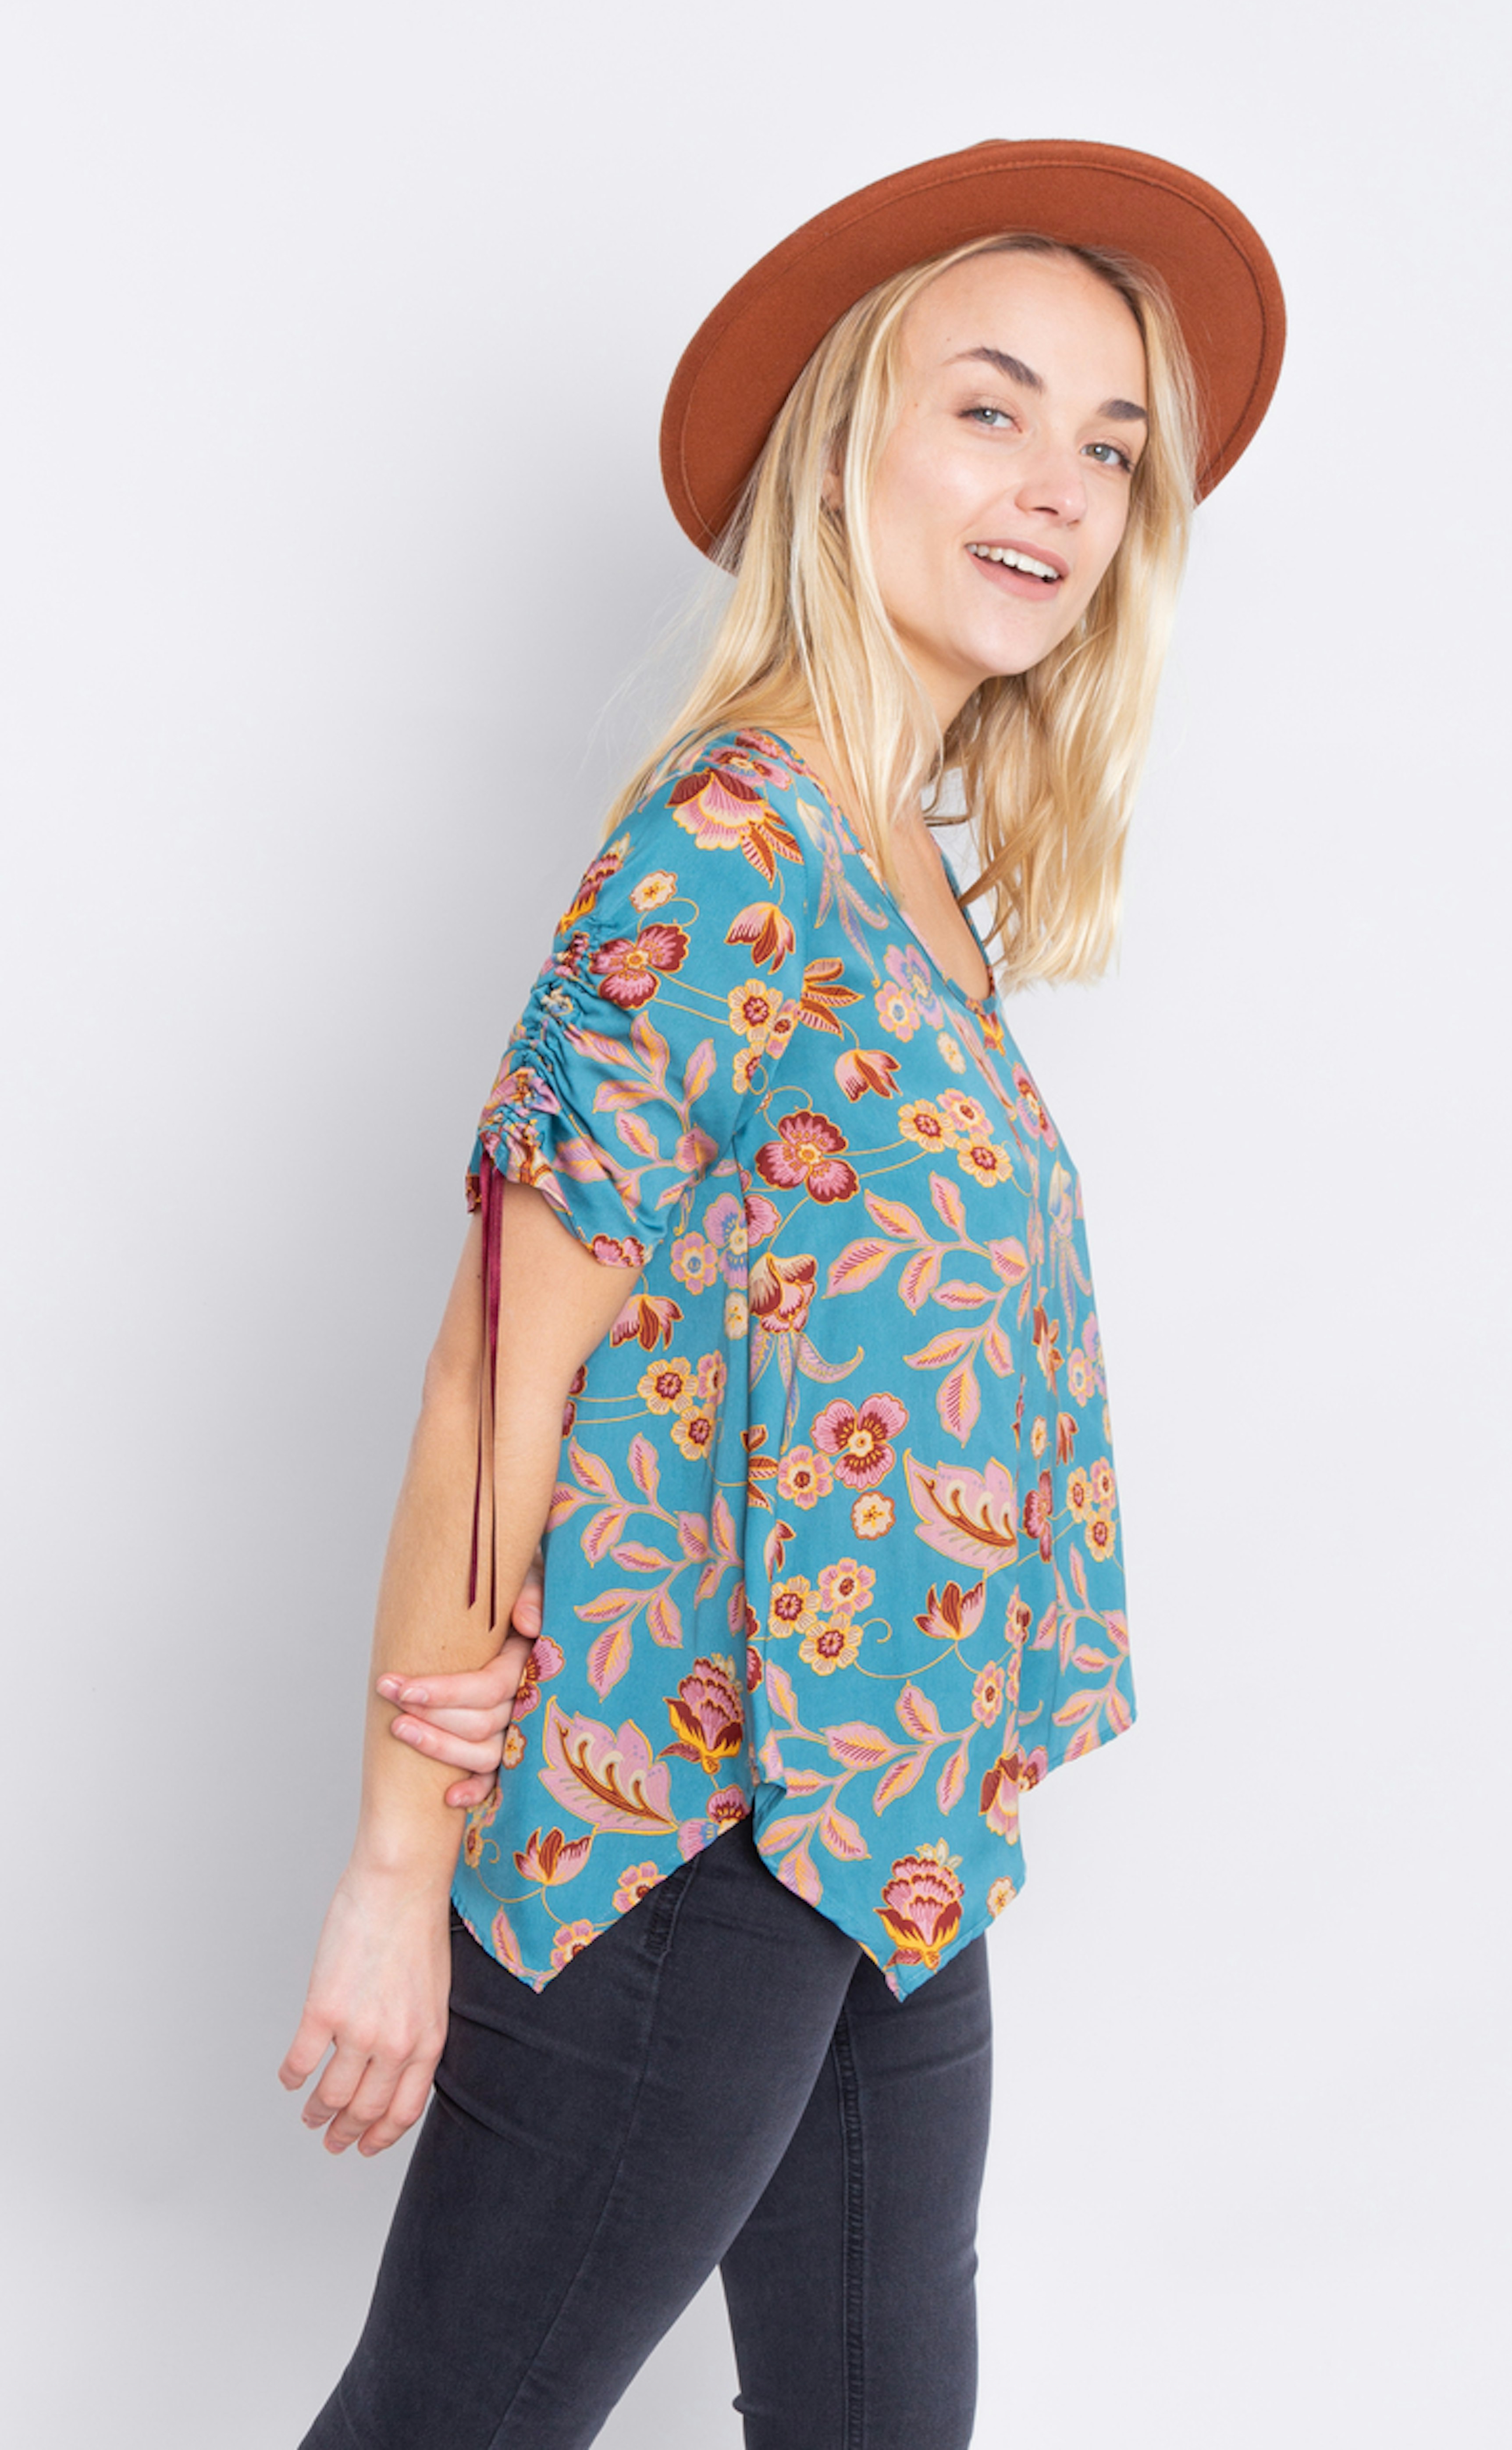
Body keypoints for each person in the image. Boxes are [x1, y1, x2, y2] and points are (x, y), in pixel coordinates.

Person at [279, 136, 1285, 2450]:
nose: (1055, 488)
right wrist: (394, 1875)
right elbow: (496, 1369)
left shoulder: (905, 873)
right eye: (990, 408)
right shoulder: (725, 842)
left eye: (1107, 445)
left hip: (887, 1841)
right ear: (845, 449)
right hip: (686, 1829)